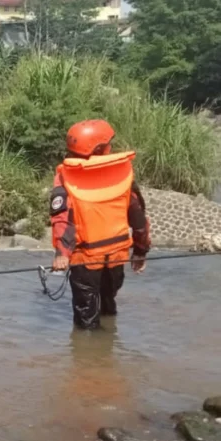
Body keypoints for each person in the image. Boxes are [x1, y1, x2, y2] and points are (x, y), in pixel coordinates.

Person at [49, 119, 151, 331]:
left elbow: (63, 221)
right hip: (116, 257)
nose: (111, 147)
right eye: (108, 144)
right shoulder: (122, 174)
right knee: (108, 305)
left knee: (86, 320)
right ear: (98, 149)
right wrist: (140, 251)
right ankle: (106, 354)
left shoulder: (65, 177)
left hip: (84, 261)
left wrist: (62, 253)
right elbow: (138, 219)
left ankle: (91, 358)